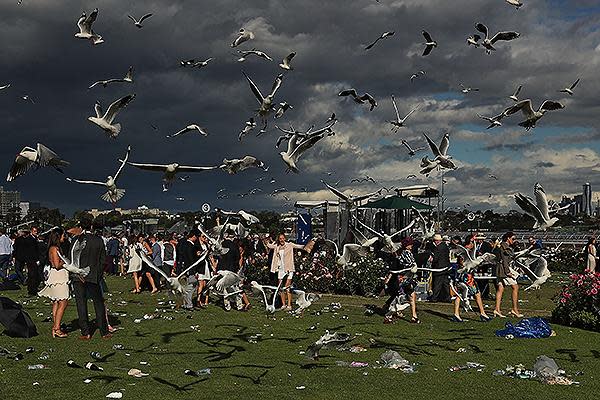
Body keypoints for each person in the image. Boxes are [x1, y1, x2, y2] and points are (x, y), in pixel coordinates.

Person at [72, 219, 111, 339]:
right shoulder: (98, 240)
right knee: (98, 303)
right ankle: (104, 331)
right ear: (92, 227)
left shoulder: (76, 240)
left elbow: (73, 258)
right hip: (93, 275)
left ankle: (85, 332)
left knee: (81, 303)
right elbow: (103, 260)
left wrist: (78, 273)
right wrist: (98, 274)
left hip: (79, 276)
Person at [264, 233, 313, 311]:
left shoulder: (289, 245)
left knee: (287, 287)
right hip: (280, 268)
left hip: (289, 268)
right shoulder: (277, 246)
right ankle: (283, 305)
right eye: (280, 239)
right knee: (280, 288)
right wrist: (267, 240)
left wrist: (307, 245)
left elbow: (299, 246)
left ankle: (289, 305)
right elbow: (269, 246)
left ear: (285, 238)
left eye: (283, 238)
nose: (282, 240)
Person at [449, 236, 493, 323]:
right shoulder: (465, 251)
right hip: (466, 276)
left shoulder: (470, 251)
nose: (473, 245)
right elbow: (461, 262)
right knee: (477, 294)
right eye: (472, 243)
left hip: (463, 276)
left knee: (459, 294)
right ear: (469, 244)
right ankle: (483, 314)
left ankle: (456, 315)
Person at [38, 228, 71, 337]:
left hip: (57, 276)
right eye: (62, 236)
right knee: (63, 301)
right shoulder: (54, 248)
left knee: (57, 301)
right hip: (58, 277)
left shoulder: (53, 248)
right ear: (58, 236)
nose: (64, 237)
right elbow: (56, 265)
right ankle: (57, 328)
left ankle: (56, 326)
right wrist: (66, 262)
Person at [384, 237, 419, 324]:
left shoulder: (408, 253)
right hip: (403, 279)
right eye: (410, 244)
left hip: (408, 278)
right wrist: (413, 266)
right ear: (406, 245)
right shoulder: (404, 253)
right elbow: (405, 264)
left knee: (412, 296)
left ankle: (414, 316)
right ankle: (388, 315)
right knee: (401, 299)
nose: (411, 245)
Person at [494, 231, 523, 318]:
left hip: (499, 269)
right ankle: (514, 309)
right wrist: (508, 272)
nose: (514, 241)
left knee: (500, 288)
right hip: (504, 270)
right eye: (513, 239)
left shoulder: (502, 245)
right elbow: (505, 260)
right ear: (508, 238)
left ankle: (497, 309)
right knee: (515, 287)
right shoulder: (505, 247)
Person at [176, 229, 200, 309]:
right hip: (190, 268)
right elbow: (191, 259)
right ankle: (189, 304)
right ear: (193, 237)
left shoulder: (182, 243)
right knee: (192, 287)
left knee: (186, 287)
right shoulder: (191, 246)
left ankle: (184, 303)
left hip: (184, 267)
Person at [429, 233, 451, 302]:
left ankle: (434, 298)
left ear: (436, 241)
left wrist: (431, 259)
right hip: (445, 267)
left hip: (439, 268)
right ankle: (448, 297)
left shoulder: (438, 248)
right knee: (445, 284)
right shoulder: (445, 247)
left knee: (437, 283)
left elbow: (435, 259)